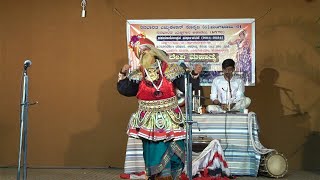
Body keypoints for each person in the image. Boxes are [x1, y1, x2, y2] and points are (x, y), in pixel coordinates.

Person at [117, 34, 202, 180]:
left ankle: (173, 176)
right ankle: (157, 176)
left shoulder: (171, 70)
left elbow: (186, 87)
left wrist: (194, 74)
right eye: (141, 53)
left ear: (154, 52)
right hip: (149, 119)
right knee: (153, 151)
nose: (145, 55)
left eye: (147, 51)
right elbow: (126, 90)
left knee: (175, 150)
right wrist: (123, 74)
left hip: (171, 117)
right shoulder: (138, 74)